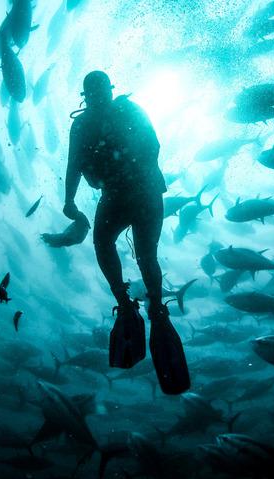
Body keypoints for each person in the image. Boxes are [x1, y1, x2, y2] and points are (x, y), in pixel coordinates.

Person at [62, 71, 190, 395]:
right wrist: (68, 200)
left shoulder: (123, 112)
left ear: (106, 91)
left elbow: (152, 145)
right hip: (127, 193)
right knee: (113, 245)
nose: (97, 97)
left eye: (99, 91)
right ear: (88, 95)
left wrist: (72, 199)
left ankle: (152, 306)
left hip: (139, 190)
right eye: (93, 93)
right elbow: (73, 165)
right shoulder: (87, 124)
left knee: (142, 253)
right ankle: (136, 304)